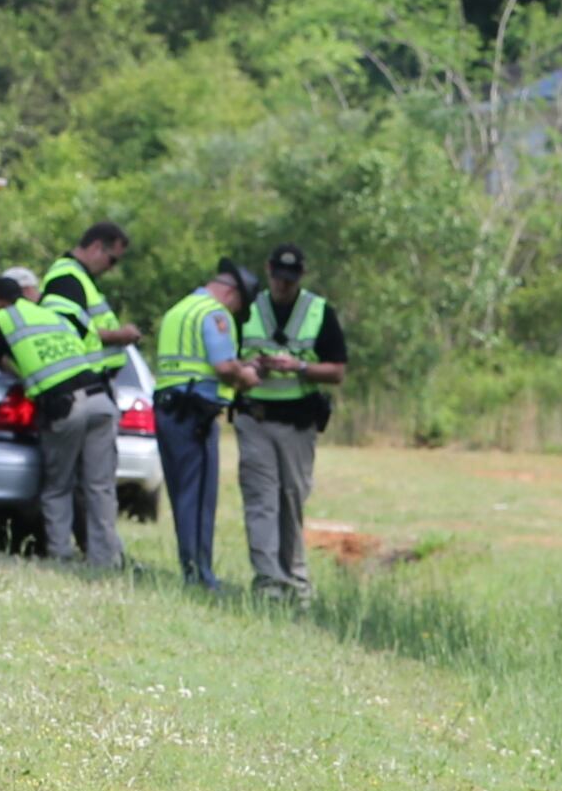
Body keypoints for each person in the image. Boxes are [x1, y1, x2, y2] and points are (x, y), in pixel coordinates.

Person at [0, 269, 120, 569]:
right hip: (100, 399)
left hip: (65, 407)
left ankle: (60, 556)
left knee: (58, 486)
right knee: (99, 486)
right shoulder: (51, 316)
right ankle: (106, 560)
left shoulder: (3, 320)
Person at [233, 244, 347, 600]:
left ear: (301, 275)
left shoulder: (318, 311)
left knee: (291, 499)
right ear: (268, 271)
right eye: (278, 278)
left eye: (291, 279)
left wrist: (297, 367)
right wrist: (252, 368)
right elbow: (227, 361)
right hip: (255, 418)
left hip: (298, 424)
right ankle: (268, 582)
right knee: (260, 500)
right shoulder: (248, 308)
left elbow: (337, 370)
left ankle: (295, 581)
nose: (284, 285)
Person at [148, 259, 246, 589]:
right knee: (199, 496)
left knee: (180, 493)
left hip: (168, 410)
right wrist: (246, 375)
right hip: (194, 415)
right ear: (231, 294)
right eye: (239, 304)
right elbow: (222, 366)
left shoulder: (179, 310)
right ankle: (200, 574)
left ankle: (190, 567)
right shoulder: (214, 313)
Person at [38, 222, 143, 360]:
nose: (111, 268)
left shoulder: (80, 277)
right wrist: (119, 336)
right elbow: (68, 331)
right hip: (82, 375)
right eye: (112, 260)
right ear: (96, 247)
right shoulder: (67, 277)